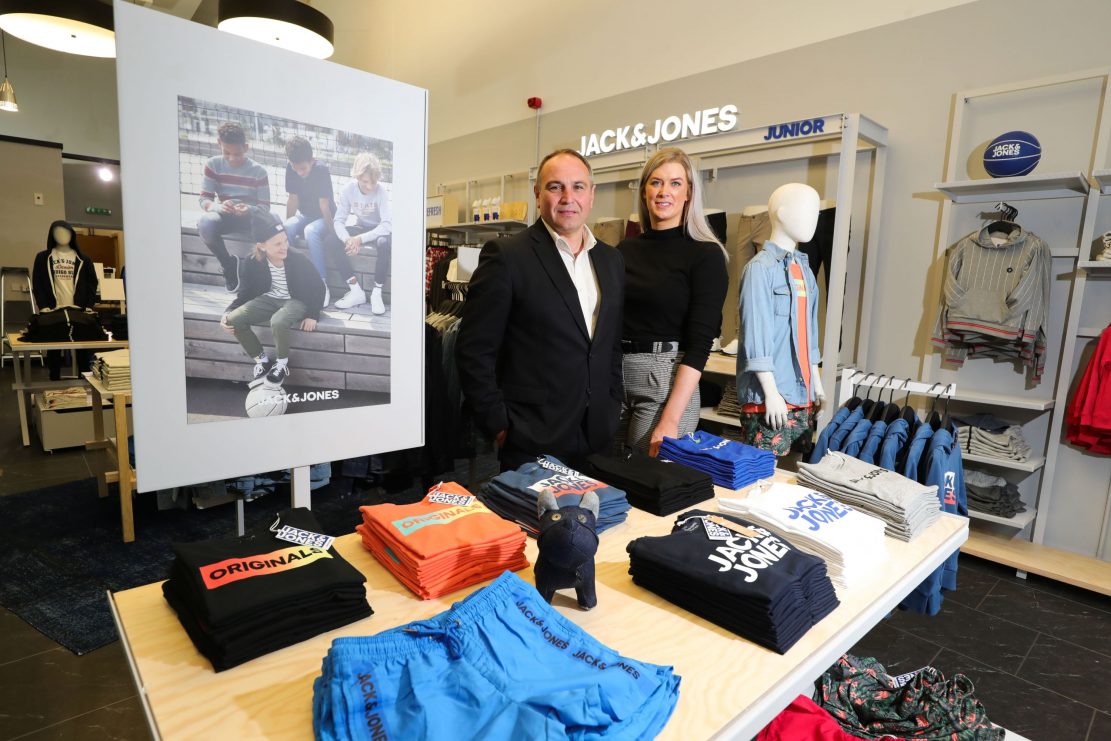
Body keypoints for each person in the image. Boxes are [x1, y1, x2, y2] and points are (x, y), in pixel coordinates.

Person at [456, 149, 625, 471]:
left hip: (598, 433)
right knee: (533, 522)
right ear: (537, 195)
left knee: (603, 518)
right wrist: (499, 424)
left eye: (577, 187)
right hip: (531, 434)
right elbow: (474, 349)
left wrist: (612, 401)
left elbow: (610, 343)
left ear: (591, 195)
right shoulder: (507, 256)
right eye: (555, 187)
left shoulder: (611, 260)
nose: (567, 197)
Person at [616, 148, 728, 456]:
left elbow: (700, 343)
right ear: (644, 190)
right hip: (614, 377)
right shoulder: (623, 250)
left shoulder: (705, 254)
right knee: (602, 477)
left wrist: (671, 418)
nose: (664, 191)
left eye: (676, 183)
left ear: (690, 192)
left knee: (644, 482)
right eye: (656, 182)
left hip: (664, 382)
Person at [735, 183, 826, 456]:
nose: (814, 219)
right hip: (770, 398)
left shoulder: (804, 270)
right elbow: (755, 337)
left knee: (793, 477)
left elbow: (810, 332)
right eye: (807, 211)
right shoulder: (759, 270)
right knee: (762, 477)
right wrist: (770, 392)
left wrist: (816, 383)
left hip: (803, 394)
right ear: (784, 214)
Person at [221, 215, 326, 387]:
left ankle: (281, 364)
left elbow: (318, 287)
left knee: (277, 321)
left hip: (296, 301)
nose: (284, 246)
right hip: (269, 299)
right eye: (278, 244)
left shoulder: (298, 259)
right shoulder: (252, 262)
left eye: (285, 240)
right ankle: (262, 361)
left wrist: (313, 314)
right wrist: (227, 312)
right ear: (261, 246)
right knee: (234, 319)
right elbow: (245, 293)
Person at [282, 135, 355, 309]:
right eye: (295, 167)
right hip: (305, 215)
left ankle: (321, 284)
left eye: (303, 168)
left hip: (324, 217)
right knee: (287, 228)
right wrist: (285, 229)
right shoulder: (290, 168)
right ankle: (291, 276)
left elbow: (324, 205)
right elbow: (293, 199)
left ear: (312, 160)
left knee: (310, 231)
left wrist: (333, 232)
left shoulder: (321, 170)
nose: (299, 172)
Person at [198, 121, 271, 292]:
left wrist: (249, 209)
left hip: (251, 220)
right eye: (226, 152)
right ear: (219, 144)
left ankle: (262, 275)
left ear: (246, 147)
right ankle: (229, 265)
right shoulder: (212, 165)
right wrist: (219, 207)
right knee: (205, 223)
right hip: (225, 216)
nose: (232, 158)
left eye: (237, 153)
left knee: (273, 224)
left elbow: (264, 208)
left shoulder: (259, 171)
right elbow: (204, 200)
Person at [31, 220, 99, 380]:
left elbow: (92, 282)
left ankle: (85, 382)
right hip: (53, 309)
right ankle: (54, 381)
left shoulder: (84, 259)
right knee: (54, 345)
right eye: (57, 232)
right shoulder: (43, 257)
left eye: (66, 232)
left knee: (82, 346)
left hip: (78, 308)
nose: (62, 236)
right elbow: (38, 282)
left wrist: (89, 304)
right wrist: (43, 305)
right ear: (52, 235)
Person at [332, 152, 391, 313]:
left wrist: (359, 239)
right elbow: (338, 221)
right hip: (361, 226)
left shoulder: (382, 191)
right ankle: (355, 290)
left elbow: (387, 225)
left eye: (373, 182)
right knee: (331, 240)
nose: (370, 186)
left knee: (384, 244)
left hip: (379, 229)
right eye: (365, 181)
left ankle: (376, 293)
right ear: (357, 176)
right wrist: (347, 240)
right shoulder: (348, 189)